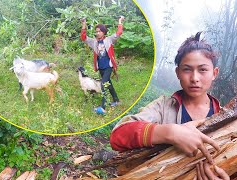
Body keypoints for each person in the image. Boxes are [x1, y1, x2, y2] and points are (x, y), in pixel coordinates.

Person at [109, 32, 229, 179]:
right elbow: (118, 136)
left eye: (203, 70)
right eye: (187, 69)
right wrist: (169, 133)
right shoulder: (164, 107)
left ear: (214, 73)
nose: (194, 78)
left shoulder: (227, 117)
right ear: (177, 73)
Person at [80, 16, 124, 115]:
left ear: (103, 32)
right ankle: (116, 100)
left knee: (103, 84)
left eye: (99, 31)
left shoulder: (109, 40)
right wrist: (83, 24)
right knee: (108, 83)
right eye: (96, 31)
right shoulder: (94, 42)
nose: (97, 33)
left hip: (109, 66)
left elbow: (119, 32)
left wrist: (120, 21)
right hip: (101, 67)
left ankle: (103, 108)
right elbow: (83, 38)